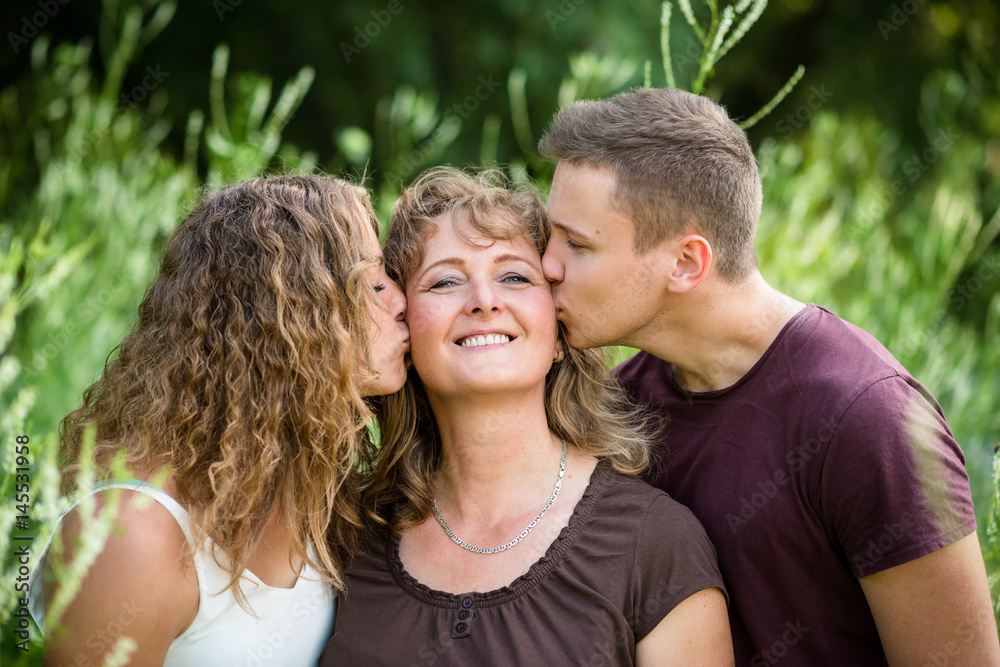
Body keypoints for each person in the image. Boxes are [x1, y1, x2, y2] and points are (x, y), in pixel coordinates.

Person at [537, 86, 1000, 664]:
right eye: (550, 235)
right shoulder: (618, 405)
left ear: (686, 263)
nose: (546, 264)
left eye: (576, 244)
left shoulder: (871, 420)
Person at [320, 167, 733, 665]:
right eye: (445, 281)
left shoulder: (654, 542)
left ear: (559, 332)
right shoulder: (341, 529)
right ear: (403, 328)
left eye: (514, 276)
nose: (485, 302)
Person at [28, 175, 410, 665]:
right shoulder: (134, 536)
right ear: (289, 317)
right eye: (374, 283)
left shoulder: (317, 490)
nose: (400, 300)